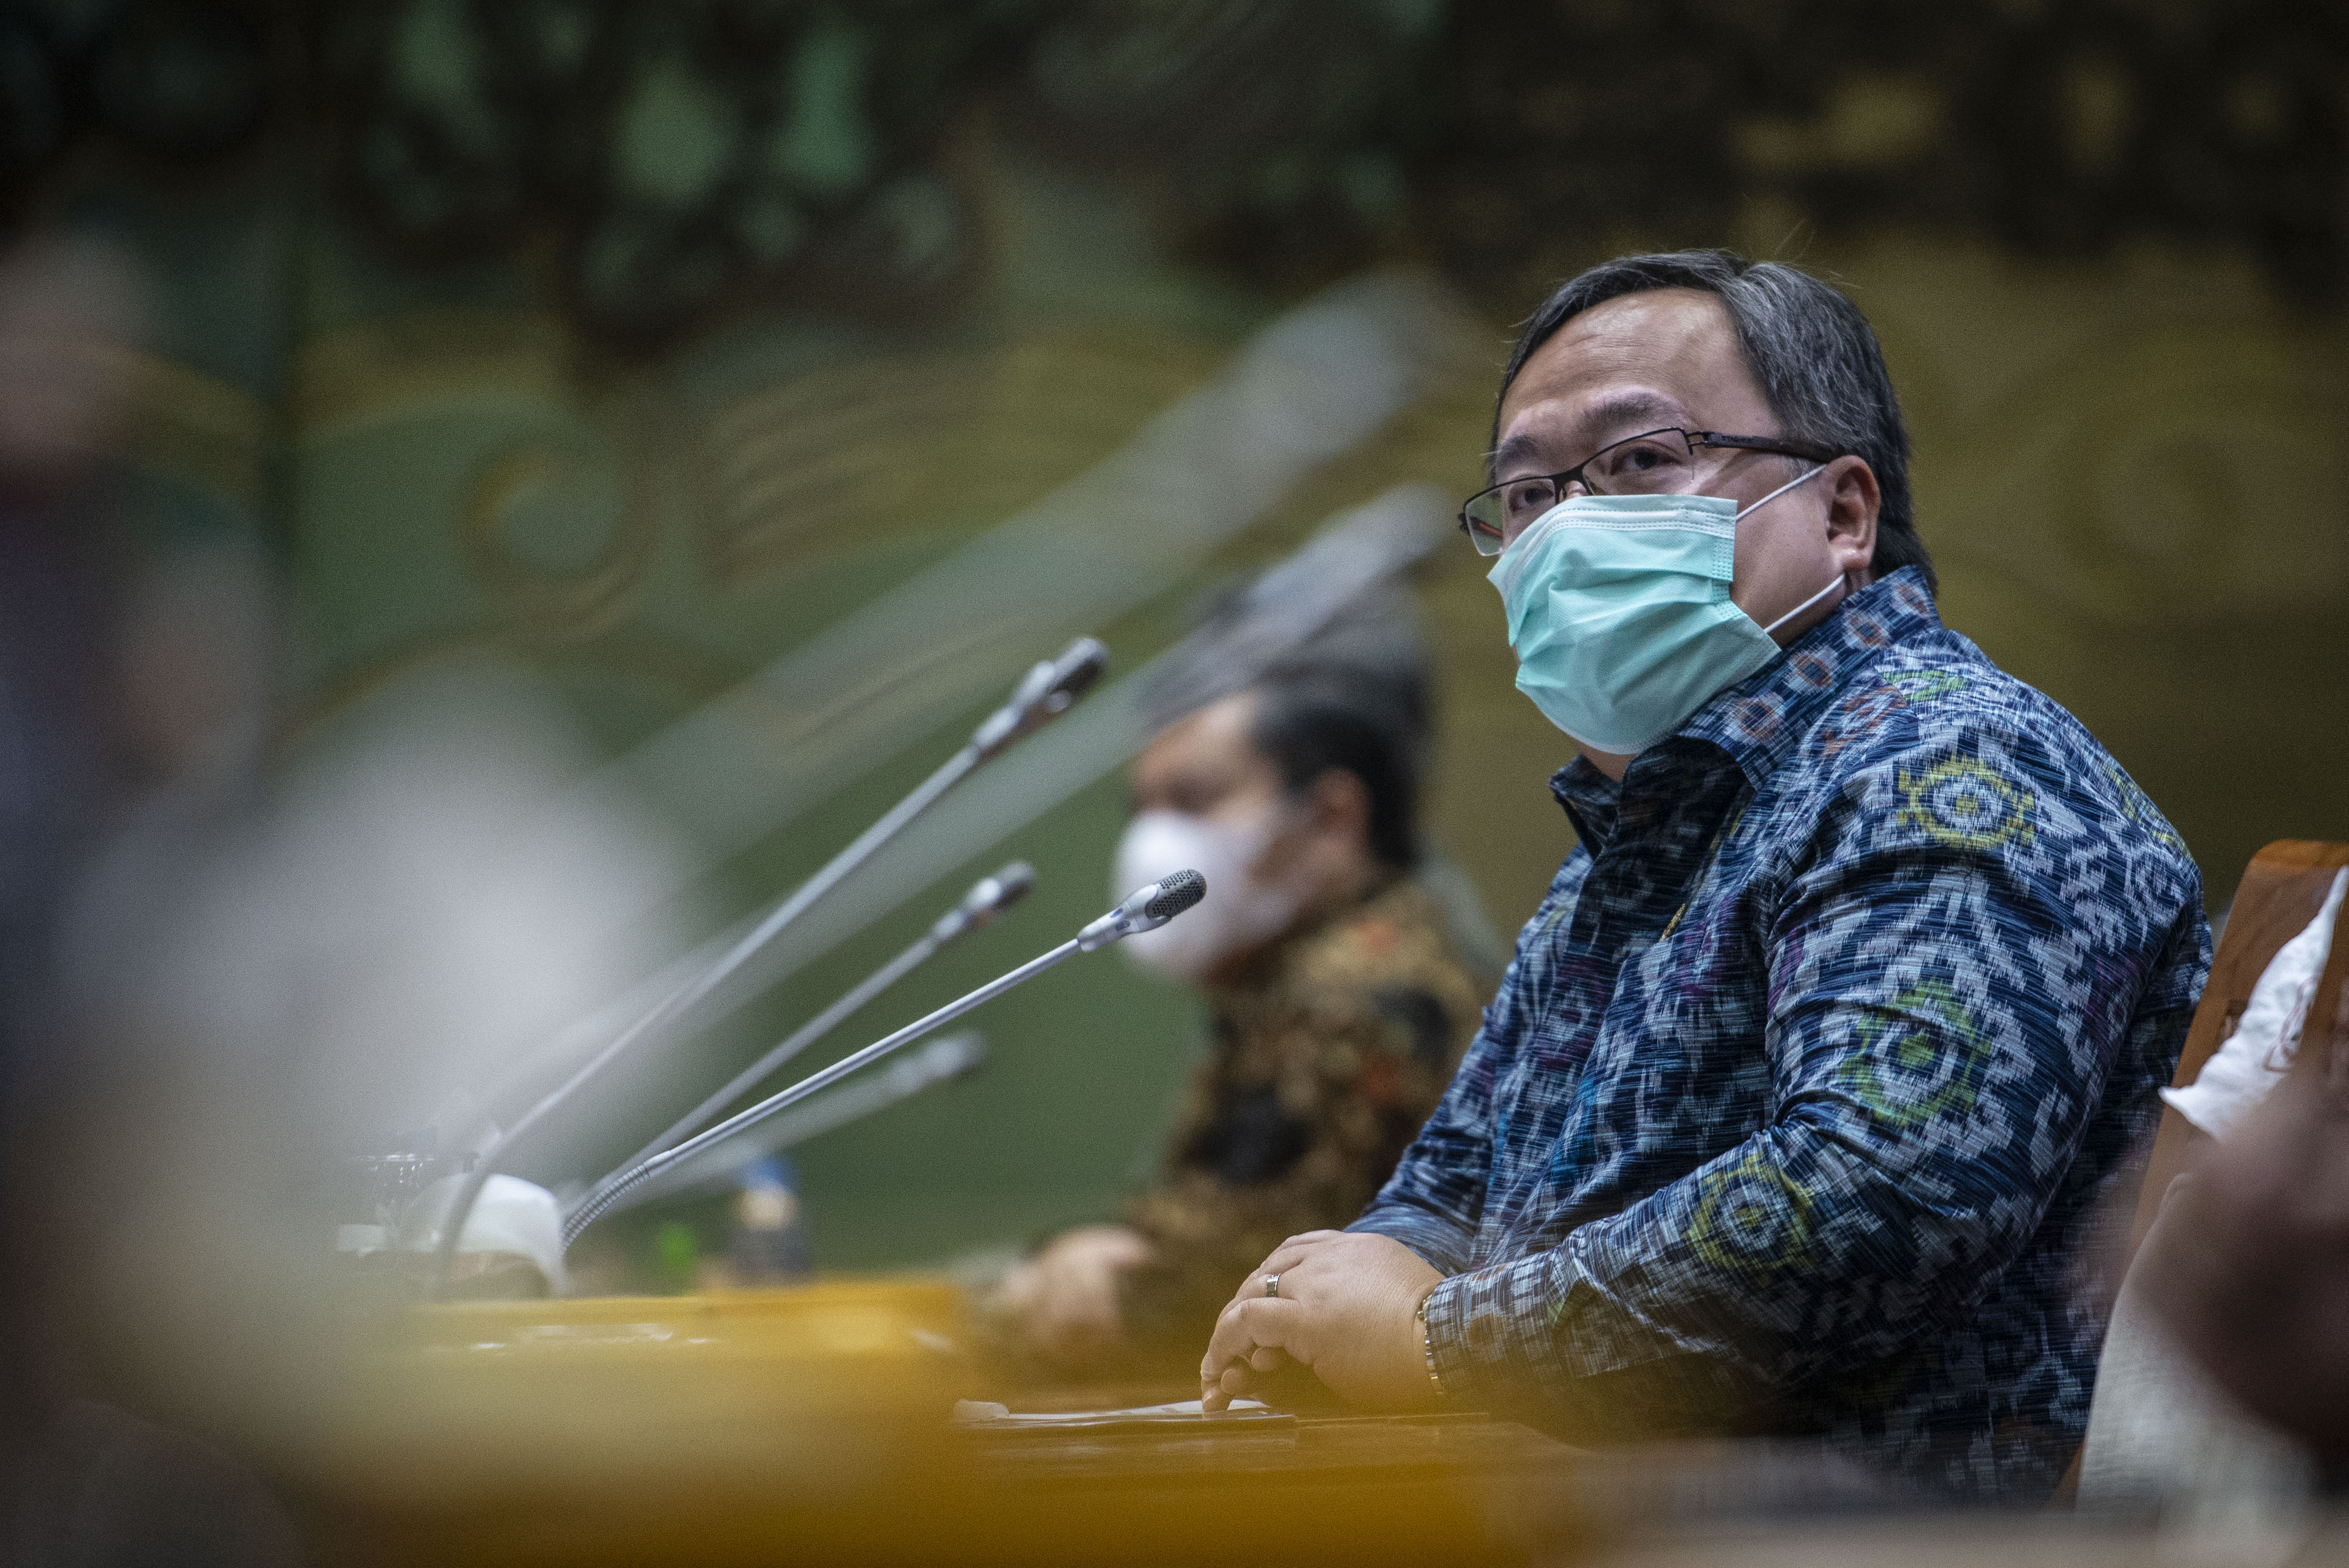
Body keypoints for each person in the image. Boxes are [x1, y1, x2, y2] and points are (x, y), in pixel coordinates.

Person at [1197, 250, 2210, 1504]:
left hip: (1875, 1528)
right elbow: (1457, 1183)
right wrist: (1329, 1297)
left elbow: (1882, 1197)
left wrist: (1440, 1343)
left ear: (1841, 513)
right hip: (1604, 1502)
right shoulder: (1645, 833)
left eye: (1635, 462)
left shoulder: (1949, 757)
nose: (1563, 528)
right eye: (1521, 497)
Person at [993, 626, 1486, 1375]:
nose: (1154, 838)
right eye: (1144, 806)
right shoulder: (1304, 973)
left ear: (1330, 821)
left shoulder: (1350, 998)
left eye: (1194, 798)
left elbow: (1199, 1298)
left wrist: (1027, 1294)